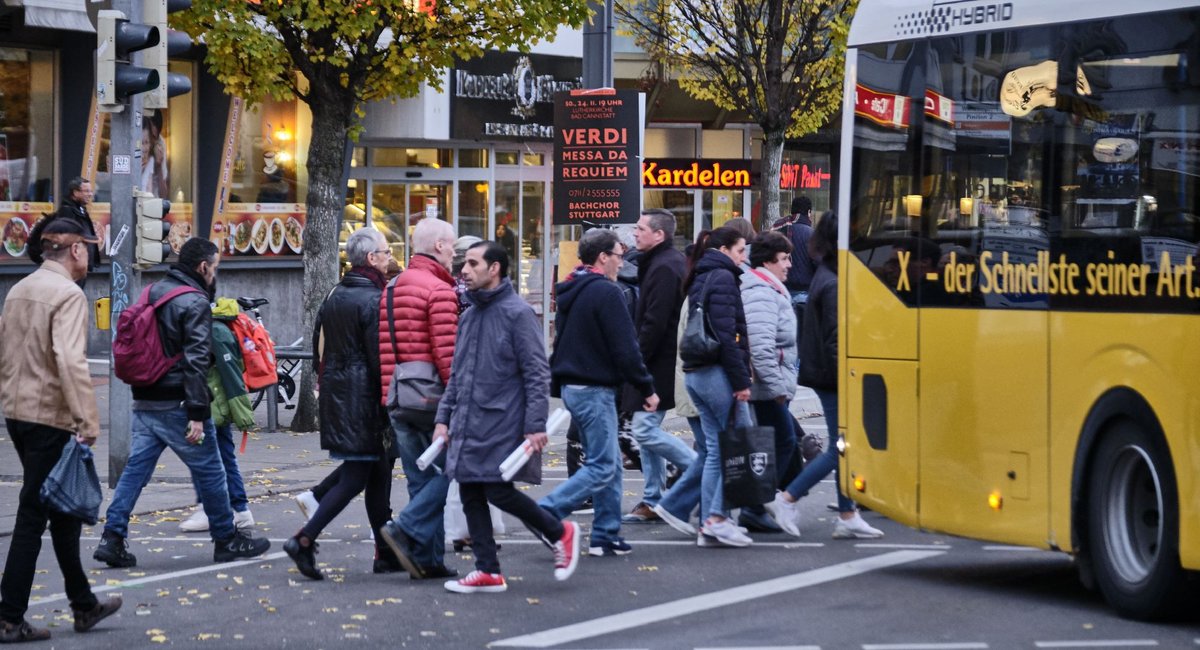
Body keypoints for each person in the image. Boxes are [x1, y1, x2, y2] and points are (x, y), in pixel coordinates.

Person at [95, 238, 271, 568]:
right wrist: (197, 414)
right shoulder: (194, 302)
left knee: (135, 472)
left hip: (145, 399)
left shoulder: (154, 292)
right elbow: (196, 361)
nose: (215, 274)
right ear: (203, 267)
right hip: (177, 403)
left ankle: (112, 537)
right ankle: (225, 538)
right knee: (212, 470)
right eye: (215, 267)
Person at [0, 219, 122, 642]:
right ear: (74, 250)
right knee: (34, 513)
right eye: (88, 248)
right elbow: (71, 362)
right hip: (48, 415)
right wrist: (87, 420)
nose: (90, 256)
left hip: (17, 412)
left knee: (63, 516)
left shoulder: (19, 289)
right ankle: (9, 616)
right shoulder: (68, 295)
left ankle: (84, 605)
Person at [437, 241, 580, 593]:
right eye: (463, 264)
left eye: (472, 263)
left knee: (496, 490)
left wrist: (535, 424)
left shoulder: (518, 313)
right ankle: (487, 569)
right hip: (469, 419)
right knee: (470, 488)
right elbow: (458, 373)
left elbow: (536, 373)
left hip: (502, 420)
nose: (463, 271)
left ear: (495, 268)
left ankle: (560, 532)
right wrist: (443, 418)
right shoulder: (469, 314)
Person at [284, 229, 398, 580]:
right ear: (371, 259)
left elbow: (321, 345)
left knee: (378, 476)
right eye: (385, 250)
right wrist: (389, 400)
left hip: (340, 395)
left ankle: (385, 554)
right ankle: (304, 539)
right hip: (363, 401)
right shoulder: (374, 299)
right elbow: (380, 358)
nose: (390, 255)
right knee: (355, 478)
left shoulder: (336, 294)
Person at [539, 229, 659, 557]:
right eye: (619, 255)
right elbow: (626, 347)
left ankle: (606, 534)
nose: (623, 262)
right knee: (604, 465)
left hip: (575, 386)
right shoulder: (607, 293)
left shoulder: (572, 287)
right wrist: (646, 387)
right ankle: (546, 512)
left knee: (609, 464)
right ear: (603, 257)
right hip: (594, 388)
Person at [767, 213, 884, 539]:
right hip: (833, 377)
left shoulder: (828, 274)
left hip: (826, 374)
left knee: (846, 446)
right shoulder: (833, 281)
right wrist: (847, 378)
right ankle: (788, 498)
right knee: (840, 448)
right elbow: (837, 339)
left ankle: (848, 514)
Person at [654, 226, 754, 547]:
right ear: (724, 249)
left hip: (696, 372)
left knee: (713, 450)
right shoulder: (724, 278)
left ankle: (710, 523)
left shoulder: (701, 275)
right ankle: (715, 518)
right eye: (740, 251)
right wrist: (741, 381)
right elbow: (728, 335)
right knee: (731, 446)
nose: (744, 257)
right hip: (715, 373)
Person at [377, 218, 460, 580]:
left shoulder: (392, 287)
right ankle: (405, 527)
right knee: (457, 468)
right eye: (453, 247)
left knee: (419, 479)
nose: (456, 254)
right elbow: (448, 355)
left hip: (396, 395)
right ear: (439, 246)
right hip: (433, 400)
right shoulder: (440, 291)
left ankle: (427, 559)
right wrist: (457, 402)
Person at [620, 210, 696, 524]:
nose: (634, 233)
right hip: (654, 361)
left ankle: (698, 468)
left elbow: (656, 321)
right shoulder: (659, 263)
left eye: (640, 228)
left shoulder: (666, 267)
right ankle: (653, 498)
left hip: (659, 363)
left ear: (659, 235)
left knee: (644, 430)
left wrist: (636, 361)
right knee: (646, 429)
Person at [739, 231, 802, 531]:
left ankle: (762, 502)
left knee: (778, 443)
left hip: (771, 385)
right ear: (768, 261)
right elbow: (760, 346)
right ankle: (758, 504)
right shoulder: (761, 292)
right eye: (784, 259)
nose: (789, 264)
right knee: (784, 441)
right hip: (766, 388)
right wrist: (777, 387)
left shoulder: (769, 288)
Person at [178, 298, 258, 533]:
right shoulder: (216, 327)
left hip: (213, 407)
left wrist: (242, 414)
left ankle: (228, 509)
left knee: (213, 458)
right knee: (216, 457)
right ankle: (233, 510)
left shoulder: (214, 330)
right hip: (211, 404)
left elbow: (231, 374)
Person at [29, 177, 100, 277]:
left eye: (91, 191)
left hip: (79, 264)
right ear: (75, 193)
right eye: (86, 191)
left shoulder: (80, 211)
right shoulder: (67, 211)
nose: (90, 194)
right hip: (71, 266)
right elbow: (65, 239)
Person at [778, 196, 817, 343]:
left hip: (783, 293)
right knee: (802, 339)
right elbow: (818, 263)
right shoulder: (812, 235)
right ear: (808, 212)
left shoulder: (781, 231)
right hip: (804, 296)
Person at [140, 110, 169, 199]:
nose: (153, 141)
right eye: (150, 136)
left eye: (155, 138)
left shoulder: (159, 144)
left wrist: (159, 166)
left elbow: (163, 195)